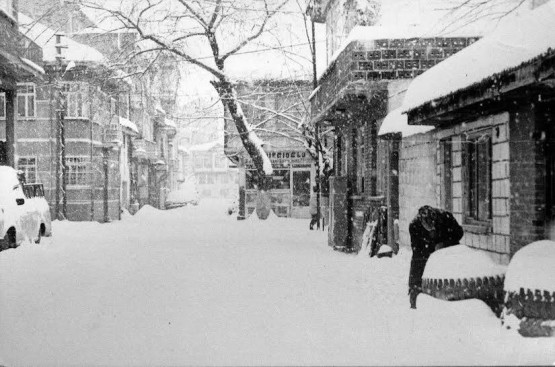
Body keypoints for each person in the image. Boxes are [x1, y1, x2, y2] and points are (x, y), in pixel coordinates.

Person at [408, 205, 463, 309]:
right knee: (419, 269)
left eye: (433, 224)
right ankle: (415, 299)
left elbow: (459, 233)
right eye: (427, 225)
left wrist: (444, 243)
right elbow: (417, 255)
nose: (431, 228)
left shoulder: (446, 218)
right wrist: (414, 285)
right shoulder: (414, 226)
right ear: (421, 221)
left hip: (448, 252)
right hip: (425, 252)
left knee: (451, 279)